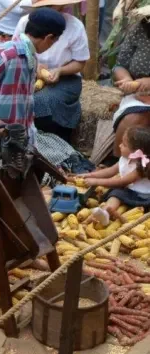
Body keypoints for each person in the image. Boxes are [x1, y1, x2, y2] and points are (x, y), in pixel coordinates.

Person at [0, 7, 66, 293]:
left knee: (20, 202)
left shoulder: (30, 57)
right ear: (49, 38)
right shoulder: (8, 53)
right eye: (54, 42)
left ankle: (23, 250)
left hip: (20, 143)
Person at [13, 0, 89, 142]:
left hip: (67, 78)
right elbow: (17, 50)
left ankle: (52, 143)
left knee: (40, 100)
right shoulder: (25, 22)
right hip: (30, 74)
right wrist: (35, 67)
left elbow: (80, 62)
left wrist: (60, 70)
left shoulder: (75, 26)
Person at [83, 126, 150, 225]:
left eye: (124, 145)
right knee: (117, 193)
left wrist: (96, 182)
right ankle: (104, 213)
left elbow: (121, 182)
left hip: (140, 196)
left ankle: (105, 212)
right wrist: (90, 175)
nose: (120, 145)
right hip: (128, 190)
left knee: (117, 193)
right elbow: (109, 171)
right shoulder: (124, 158)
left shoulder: (141, 167)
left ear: (137, 151)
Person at [112, 7, 150, 157]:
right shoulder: (140, 30)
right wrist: (126, 79)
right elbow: (119, 65)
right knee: (135, 117)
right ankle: (118, 163)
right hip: (138, 96)